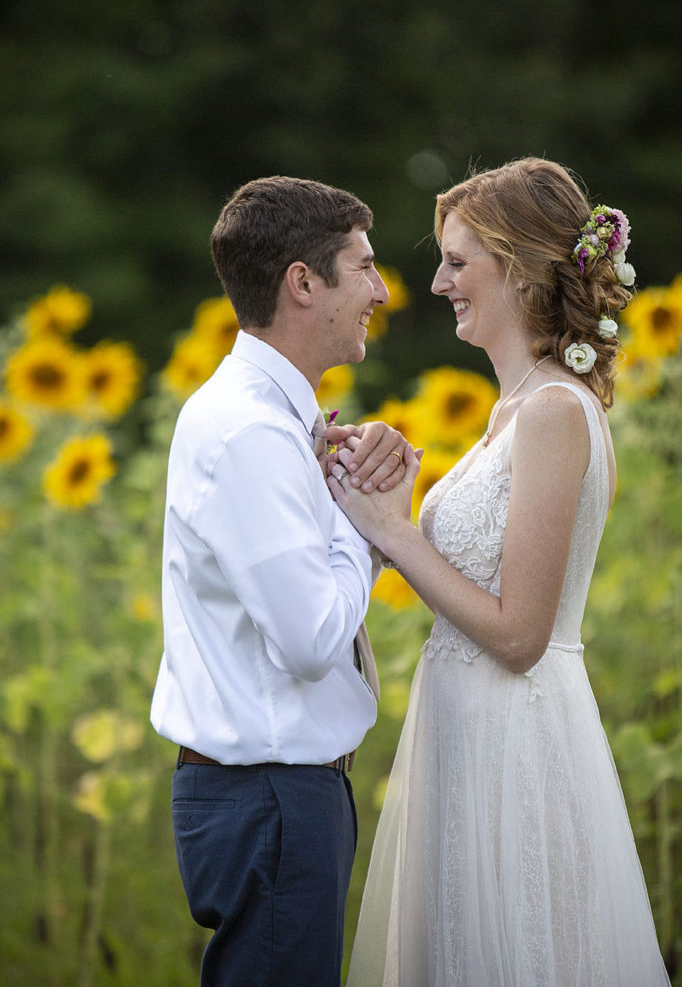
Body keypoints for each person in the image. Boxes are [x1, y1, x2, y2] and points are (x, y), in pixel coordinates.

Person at [328, 158, 671, 986]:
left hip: (516, 735)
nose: (439, 280)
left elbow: (520, 633)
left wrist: (395, 533)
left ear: (516, 269)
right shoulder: (511, 410)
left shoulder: (555, 411)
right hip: (464, 728)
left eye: (457, 260)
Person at [150, 175, 415, 987]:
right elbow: (306, 643)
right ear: (304, 282)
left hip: (269, 799)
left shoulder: (267, 423)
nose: (381, 290)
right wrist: (370, 526)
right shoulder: (252, 433)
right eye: (363, 267)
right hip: (270, 800)